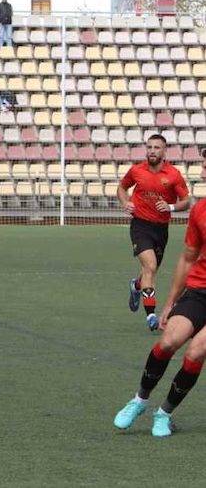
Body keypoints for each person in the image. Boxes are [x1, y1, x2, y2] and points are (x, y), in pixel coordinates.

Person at [112, 154, 206, 437]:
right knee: (168, 342)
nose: (202, 168)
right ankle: (139, 400)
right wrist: (169, 303)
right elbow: (188, 258)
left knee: (196, 350)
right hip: (199, 290)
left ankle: (163, 414)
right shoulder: (200, 210)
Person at [118, 134, 191, 330]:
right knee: (149, 266)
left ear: (164, 151)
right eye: (149, 147)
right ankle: (151, 316)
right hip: (140, 225)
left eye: (156, 147)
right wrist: (125, 202)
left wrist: (171, 207)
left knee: (150, 271)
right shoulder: (136, 170)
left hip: (161, 229)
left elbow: (186, 201)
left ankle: (136, 286)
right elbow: (122, 187)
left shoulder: (173, 175)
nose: (152, 150)